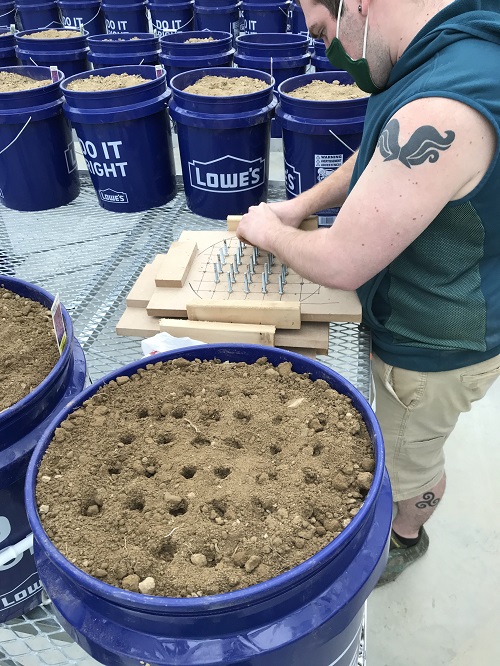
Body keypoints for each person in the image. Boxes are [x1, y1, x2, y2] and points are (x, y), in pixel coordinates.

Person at [236, 0, 500, 585]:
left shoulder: (447, 102)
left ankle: (405, 535)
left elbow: (342, 261)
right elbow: (386, 153)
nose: (328, 49)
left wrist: (271, 233)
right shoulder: (449, 51)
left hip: (434, 348)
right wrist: (300, 206)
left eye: (325, 30)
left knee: (411, 459)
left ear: (357, 4)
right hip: (446, 310)